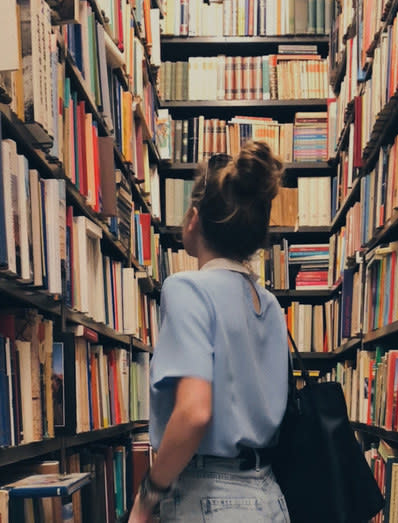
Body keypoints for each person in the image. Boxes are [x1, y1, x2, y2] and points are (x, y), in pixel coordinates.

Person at [128, 141, 290, 522]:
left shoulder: (188, 290)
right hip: (270, 497)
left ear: (193, 219)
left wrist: (146, 499)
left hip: (210, 499)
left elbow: (195, 412)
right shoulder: (270, 305)